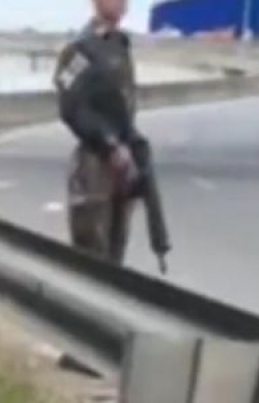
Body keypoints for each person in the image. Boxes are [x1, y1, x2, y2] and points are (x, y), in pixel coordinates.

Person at [54, 0, 168, 269]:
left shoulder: (119, 45)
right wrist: (108, 143)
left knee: (116, 259)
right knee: (91, 257)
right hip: (95, 162)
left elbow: (124, 107)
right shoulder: (81, 48)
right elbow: (71, 106)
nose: (122, 3)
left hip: (123, 166)